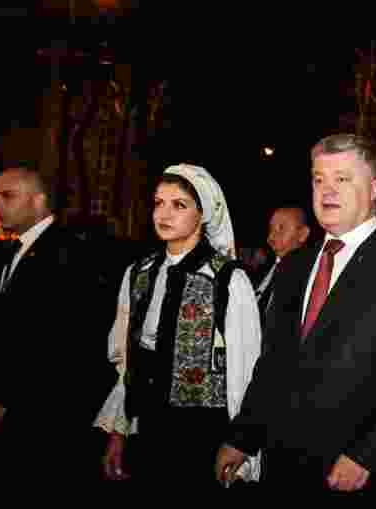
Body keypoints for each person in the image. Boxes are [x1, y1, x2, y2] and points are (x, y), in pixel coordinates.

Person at [215, 133, 376, 496]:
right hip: (284, 462)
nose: (327, 190)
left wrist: (366, 454)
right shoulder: (294, 267)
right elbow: (274, 362)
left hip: (355, 472)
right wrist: (242, 437)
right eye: (319, 179)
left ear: (374, 187)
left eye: (342, 179)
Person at [94, 164, 262, 492]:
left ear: (202, 214)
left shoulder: (228, 280)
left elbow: (246, 368)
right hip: (147, 430)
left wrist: (240, 443)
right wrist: (119, 432)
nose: (164, 213)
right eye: (158, 203)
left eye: (179, 204)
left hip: (202, 436)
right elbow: (128, 364)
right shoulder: (138, 273)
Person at [0, 164, 113, 486]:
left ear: (38, 201)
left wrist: (3, 398)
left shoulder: (68, 253)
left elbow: (61, 341)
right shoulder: (11, 250)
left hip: (42, 417)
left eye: (8, 196)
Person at [254, 205, 311, 327]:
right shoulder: (262, 270)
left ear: (303, 234)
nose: (270, 238)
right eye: (270, 229)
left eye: (281, 228)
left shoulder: (308, 277)